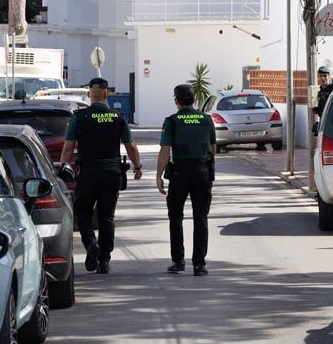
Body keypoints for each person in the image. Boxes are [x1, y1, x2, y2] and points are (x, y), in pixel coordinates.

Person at [59, 77, 143, 275]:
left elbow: (68, 147)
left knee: (83, 212)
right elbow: (130, 146)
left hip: (88, 172)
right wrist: (137, 166)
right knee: (107, 216)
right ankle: (104, 260)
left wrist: (64, 167)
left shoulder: (79, 117)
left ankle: (91, 245)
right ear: (106, 94)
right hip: (112, 173)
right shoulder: (117, 117)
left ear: (89, 94)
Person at [157, 84, 216, 276]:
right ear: (193, 99)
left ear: (176, 101)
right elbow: (212, 148)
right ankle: (199, 264)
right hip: (202, 171)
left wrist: (158, 175)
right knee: (200, 217)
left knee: (176, 217)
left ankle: (178, 261)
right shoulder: (206, 120)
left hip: (179, 174)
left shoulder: (172, 121)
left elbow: (165, 149)